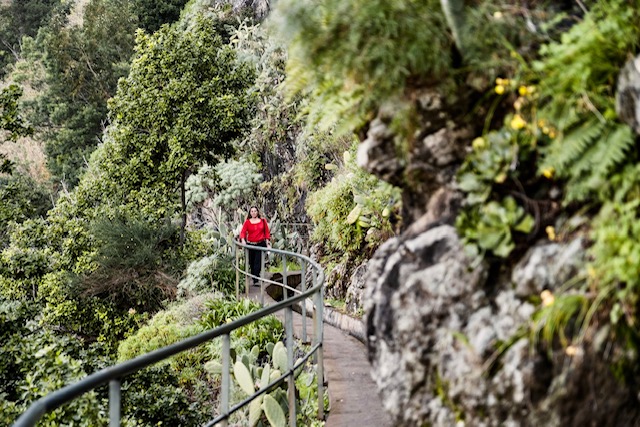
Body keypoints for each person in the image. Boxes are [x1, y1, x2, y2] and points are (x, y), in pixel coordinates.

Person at [239, 206, 271, 285]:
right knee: (251, 262)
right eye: (252, 211)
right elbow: (243, 232)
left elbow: (266, 232)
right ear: (250, 213)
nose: (253, 213)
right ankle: (254, 276)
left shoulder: (262, 221)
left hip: (260, 244)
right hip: (250, 244)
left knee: (258, 262)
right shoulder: (247, 222)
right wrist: (243, 240)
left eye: (255, 211)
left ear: (257, 212)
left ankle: (256, 279)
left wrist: (267, 242)